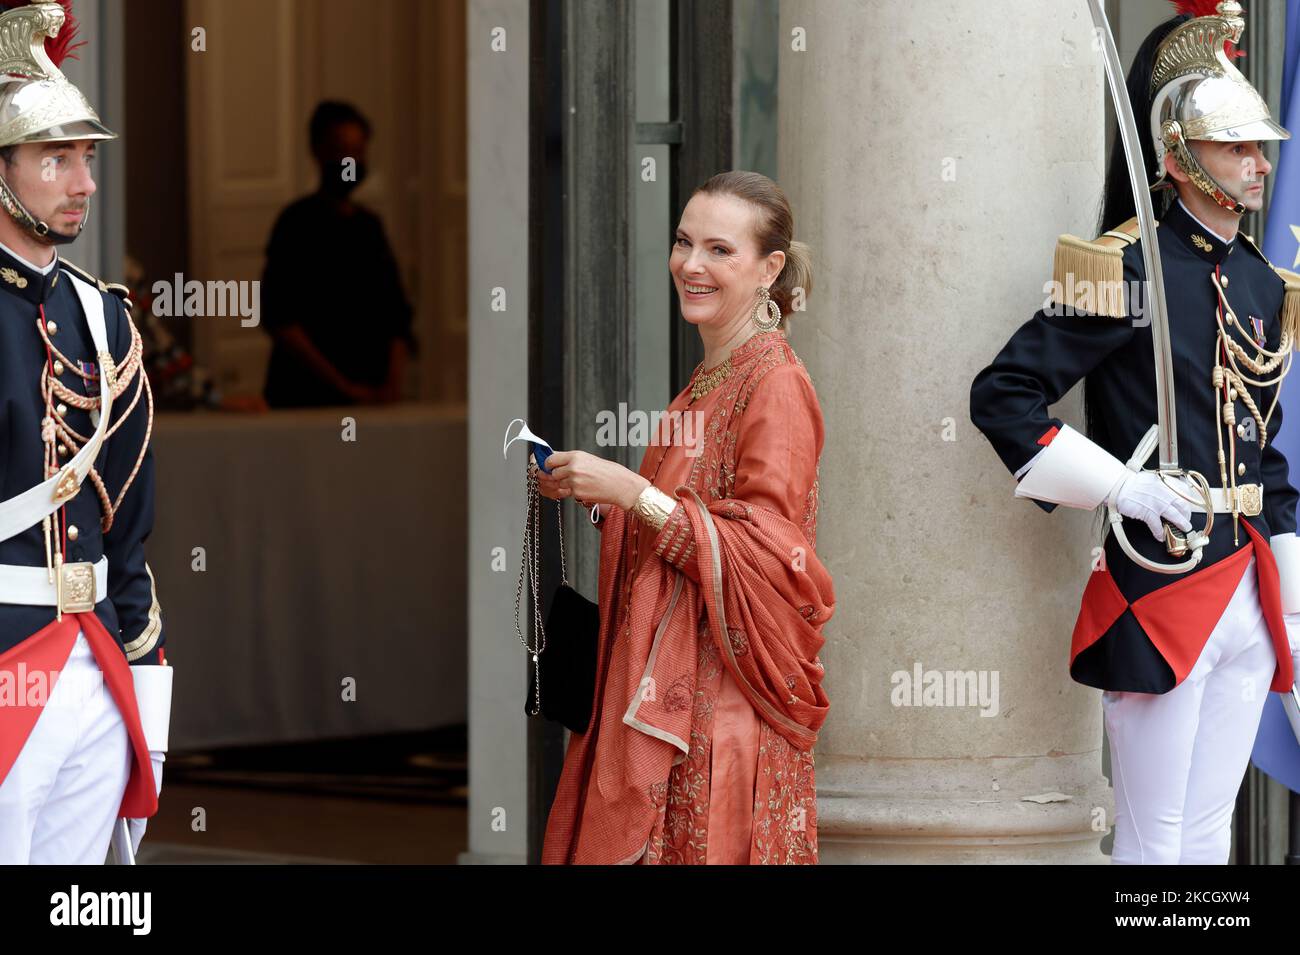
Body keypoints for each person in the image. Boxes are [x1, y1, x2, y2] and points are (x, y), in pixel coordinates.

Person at [970, 1, 1300, 864]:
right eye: (1236, 146)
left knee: (1209, 836)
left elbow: (1264, 451)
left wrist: (1293, 600)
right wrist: (1123, 486)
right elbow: (1003, 394)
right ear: (1181, 157)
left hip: (1249, 585)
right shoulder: (1122, 265)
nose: (1258, 163)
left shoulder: (1265, 284)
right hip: (1162, 579)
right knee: (1153, 842)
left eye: (1259, 145)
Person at [535, 170, 833, 864]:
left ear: (771, 268)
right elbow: (686, 524)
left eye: (719, 250)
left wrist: (631, 490)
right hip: (674, 700)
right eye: (683, 242)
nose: (691, 265)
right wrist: (606, 496)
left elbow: (769, 555)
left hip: (724, 710)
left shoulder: (775, 382)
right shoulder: (712, 375)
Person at [0, 0, 171, 864]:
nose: (83, 183)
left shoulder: (104, 319)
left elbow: (129, 526)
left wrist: (143, 672)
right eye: (55, 158)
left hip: (95, 658)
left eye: (87, 158)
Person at [260, 100, 417, 408]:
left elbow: (396, 314)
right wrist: (344, 388)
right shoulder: (296, 224)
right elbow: (280, 318)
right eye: (341, 151)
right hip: (304, 395)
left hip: (370, 396)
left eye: (358, 152)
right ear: (318, 152)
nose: (351, 163)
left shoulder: (369, 227)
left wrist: (390, 386)